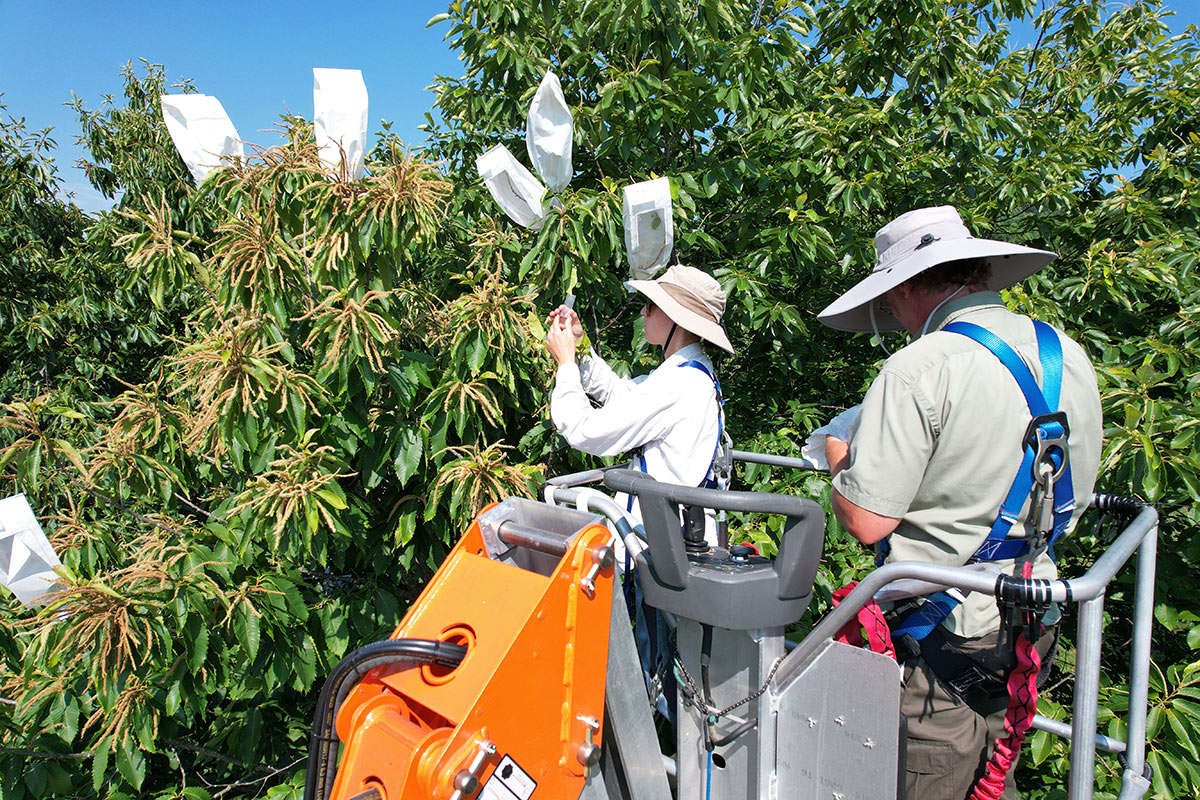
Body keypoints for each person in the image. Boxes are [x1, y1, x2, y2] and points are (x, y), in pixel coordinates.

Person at [817, 206, 1103, 800]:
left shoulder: (918, 368)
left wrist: (840, 460)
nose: (890, 311)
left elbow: (868, 522)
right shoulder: (1066, 354)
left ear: (909, 285)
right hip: (1033, 614)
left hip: (944, 631)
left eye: (891, 294)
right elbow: (1068, 504)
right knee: (996, 776)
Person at [545, 264, 733, 521]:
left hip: (658, 544)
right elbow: (619, 394)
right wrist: (580, 346)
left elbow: (585, 431)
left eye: (651, 304)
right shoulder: (689, 374)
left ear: (674, 317)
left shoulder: (680, 385)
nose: (643, 310)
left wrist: (566, 363)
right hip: (668, 532)